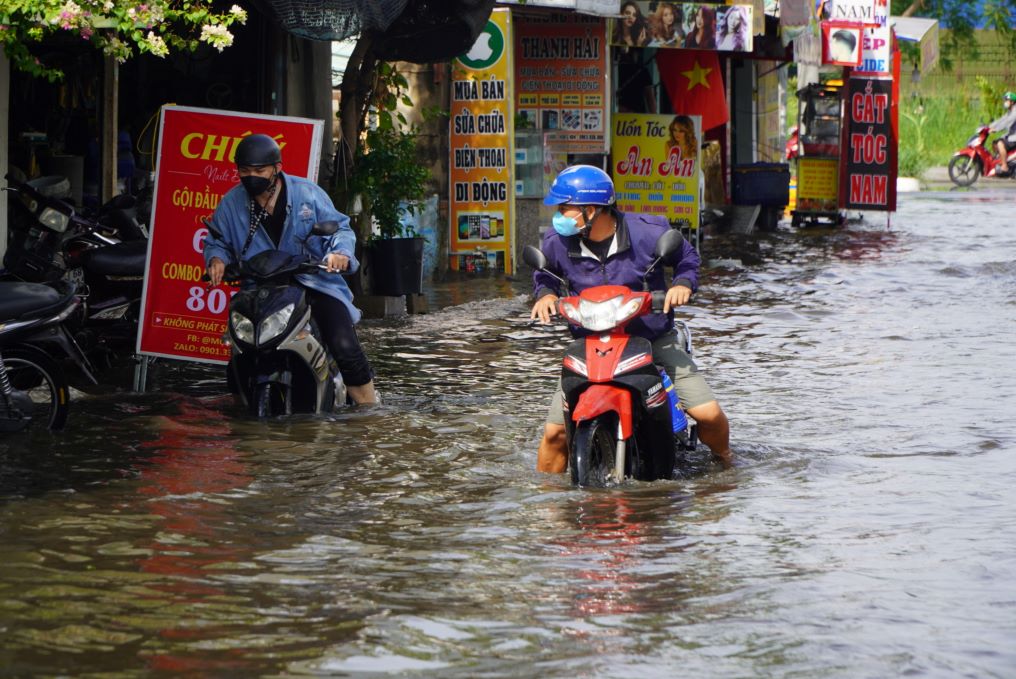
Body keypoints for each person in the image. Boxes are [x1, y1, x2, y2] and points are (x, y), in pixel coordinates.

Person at [530, 165, 732, 472]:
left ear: (592, 209)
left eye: (565, 208)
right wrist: (545, 294)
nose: (559, 216)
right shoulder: (557, 242)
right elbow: (545, 275)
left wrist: (682, 284)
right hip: (591, 345)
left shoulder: (648, 232)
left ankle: (726, 462)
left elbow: (687, 259)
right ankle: (546, 503)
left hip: (652, 339)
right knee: (555, 432)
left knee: (709, 415)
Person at [203, 133, 377, 404]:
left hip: (313, 282)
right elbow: (218, 241)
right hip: (260, 289)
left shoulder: (307, 193)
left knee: (345, 347)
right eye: (245, 171)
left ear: (277, 168)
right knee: (239, 354)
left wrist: (340, 254)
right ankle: (242, 409)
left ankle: (369, 413)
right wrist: (216, 260)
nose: (252, 176)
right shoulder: (231, 203)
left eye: (259, 170)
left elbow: (340, 228)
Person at [990, 91, 1016, 176]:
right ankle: (1000, 161)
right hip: (1011, 136)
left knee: (1000, 143)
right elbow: (1002, 119)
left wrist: (996, 129)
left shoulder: (1015, 112)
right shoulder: (1010, 111)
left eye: (1007, 100)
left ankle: (1004, 166)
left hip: (1014, 138)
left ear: (1012, 102)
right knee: (994, 143)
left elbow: (1007, 122)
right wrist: (988, 126)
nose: (1005, 102)